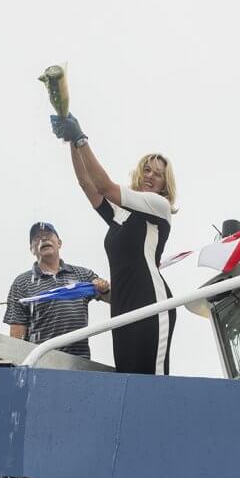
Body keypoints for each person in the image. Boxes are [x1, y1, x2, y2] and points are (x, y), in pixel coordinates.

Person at [50, 113, 177, 375]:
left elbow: (105, 186)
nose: (150, 175)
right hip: (122, 305)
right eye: (147, 169)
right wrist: (71, 143)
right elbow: (88, 186)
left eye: (158, 174)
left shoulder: (159, 206)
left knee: (151, 382)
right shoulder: (121, 214)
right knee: (128, 378)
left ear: (165, 186)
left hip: (151, 302)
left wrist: (81, 137)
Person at [3, 221, 110, 360]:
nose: (43, 239)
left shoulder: (82, 275)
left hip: (79, 360)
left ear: (59, 243)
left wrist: (105, 289)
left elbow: (117, 300)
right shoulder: (22, 283)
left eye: (48, 235)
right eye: (37, 238)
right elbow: (16, 336)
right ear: (32, 249)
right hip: (40, 361)